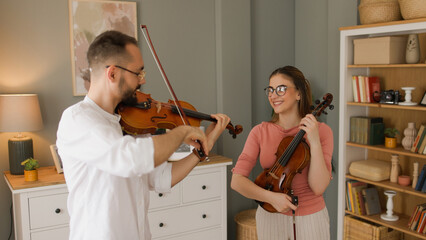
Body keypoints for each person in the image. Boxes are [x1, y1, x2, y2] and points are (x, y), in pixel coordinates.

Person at [56, 30, 230, 240]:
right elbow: (130, 158)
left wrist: (201, 149)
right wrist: (181, 131)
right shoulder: (78, 120)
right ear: (112, 74)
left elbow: (161, 178)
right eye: (137, 73)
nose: (142, 81)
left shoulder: (126, 123)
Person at [231, 66, 333, 240]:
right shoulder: (259, 131)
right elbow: (237, 182)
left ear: (299, 93)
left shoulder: (322, 131)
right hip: (270, 216)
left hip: (312, 218)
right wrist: (270, 197)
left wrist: (314, 141)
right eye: (270, 90)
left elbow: (318, 187)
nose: (273, 95)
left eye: (281, 89)